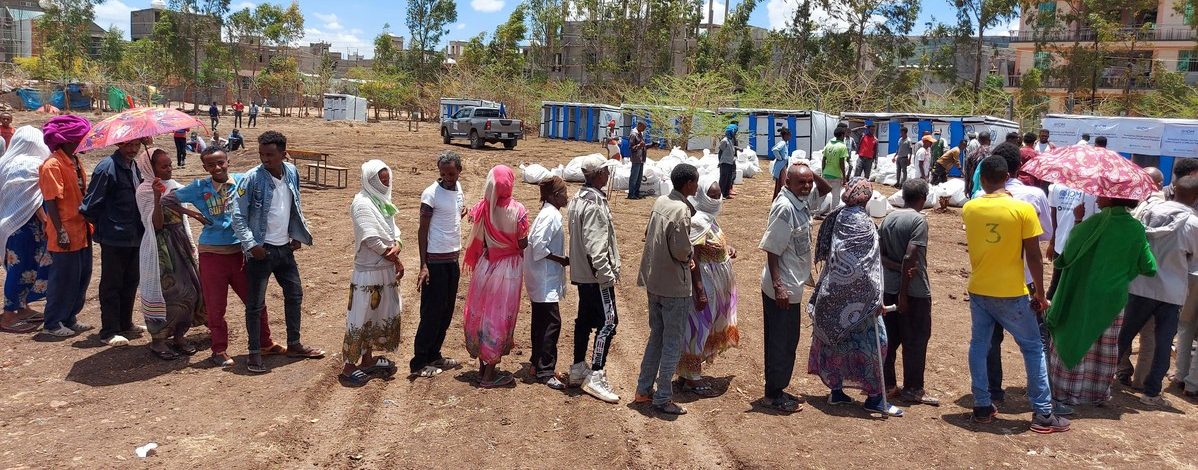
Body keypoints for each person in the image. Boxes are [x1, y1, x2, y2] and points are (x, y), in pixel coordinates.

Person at [963, 155, 1069, 434]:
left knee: (980, 345)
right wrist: (1041, 294)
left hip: (979, 288)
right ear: (1008, 175)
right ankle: (1044, 413)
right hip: (1012, 290)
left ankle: (982, 406)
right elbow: (1033, 255)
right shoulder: (1022, 210)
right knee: (1033, 348)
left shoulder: (970, 208)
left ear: (982, 179)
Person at [164, 147, 282, 367]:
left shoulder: (241, 180)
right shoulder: (199, 188)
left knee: (255, 301)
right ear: (204, 167)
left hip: (241, 253)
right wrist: (194, 214)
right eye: (211, 165)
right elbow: (167, 200)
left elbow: (265, 178)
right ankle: (218, 350)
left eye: (221, 163)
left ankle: (265, 343)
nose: (217, 168)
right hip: (212, 255)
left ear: (228, 161)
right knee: (216, 307)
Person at [1045, 196, 1155, 406]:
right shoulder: (1136, 228)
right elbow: (1148, 266)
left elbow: (1067, 255)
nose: (1097, 196)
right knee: (1103, 346)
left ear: (1111, 198)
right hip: (1113, 299)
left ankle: (1069, 393)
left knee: (1076, 338)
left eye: (1102, 194)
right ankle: (1096, 393)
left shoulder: (1092, 224)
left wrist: (1078, 221)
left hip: (1082, 295)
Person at [231, 131, 325, 373]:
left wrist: (296, 234)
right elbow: (238, 215)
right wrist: (252, 245)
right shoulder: (251, 178)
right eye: (262, 154)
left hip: (285, 249)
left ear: (284, 154)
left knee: (294, 295)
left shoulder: (292, 172)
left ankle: (294, 344)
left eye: (270, 155)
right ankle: (254, 353)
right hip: (261, 251)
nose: (265, 159)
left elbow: (294, 205)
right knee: (255, 304)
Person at [807, 177, 902, 417]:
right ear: (867, 198)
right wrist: (876, 298)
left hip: (832, 295)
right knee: (875, 345)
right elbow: (868, 265)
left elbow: (834, 256)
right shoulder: (864, 224)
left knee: (837, 343)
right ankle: (875, 398)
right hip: (860, 302)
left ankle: (837, 390)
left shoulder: (837, 217)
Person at [985, 142, 1060, 411]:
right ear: (1019, 167)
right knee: (1035, 342)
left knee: (990, 341)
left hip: (990, 279)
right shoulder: (1035, 196)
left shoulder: (981, 200)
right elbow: (1046, 235)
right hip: (1025, 280)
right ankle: (1042, 396)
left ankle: (993, 392)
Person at [1119, 176, 1198, 408]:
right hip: (1171, 292)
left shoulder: (1147, 212)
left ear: (1172, 190)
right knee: (1163, 343)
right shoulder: (1193, 224)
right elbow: (1194, 264)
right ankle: (1152, 392)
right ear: (1195, 198)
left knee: (1124, 337)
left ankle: (1101, 380)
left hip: (1140, 284)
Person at [759, 162, 831, 412]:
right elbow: (771, 248)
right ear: (787, 183)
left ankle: (778, 387)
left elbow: (825, 189)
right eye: (801, 182)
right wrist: (779, 286)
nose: (808, 186)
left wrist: (808, 171)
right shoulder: (785, 207)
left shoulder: (801, 199)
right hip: (783, 288)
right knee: (781, 341)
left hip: (793, 284)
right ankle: (773, 394)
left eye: (809, 181)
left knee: (788, 340)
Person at [634, 164, 700, 416]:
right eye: (695, 182)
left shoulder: (661, 201)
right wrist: (690, 256)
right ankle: (663, 397)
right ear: (688, 184)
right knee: (672, 342)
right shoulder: (681, 210)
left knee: (657, 336)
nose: (697, 186)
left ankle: (643, 390)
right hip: (674, 286)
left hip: (654, 281)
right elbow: (682, 250)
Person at [135, 148, 207, 360]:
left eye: (170, 165)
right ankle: (158, 341)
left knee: (190, 290)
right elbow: (156, 225)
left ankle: (179, 336)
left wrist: (195, 214)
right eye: (163, 166)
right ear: (151, 168)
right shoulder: (144, 191)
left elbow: (181, 209)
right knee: (167, 293)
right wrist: (157, 197)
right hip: (161, 248)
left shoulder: (174, 186)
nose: (169, 169)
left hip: (180, 243)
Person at [461, 165, 529, 388]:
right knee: (499, 316)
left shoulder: (483, 207)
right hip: (507, 270)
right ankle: (489, 375)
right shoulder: (518, 211)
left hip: (485, 266)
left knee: (482, 314)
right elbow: (521, 242)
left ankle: (483, 368)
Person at [339, 159, 405, 386]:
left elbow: (393, 228)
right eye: (380, 180)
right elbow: (371, 239)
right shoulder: (362, 203)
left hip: (384, 270)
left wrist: (397, 244)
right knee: (361, 316)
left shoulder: (382, 201)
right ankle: (349, 366)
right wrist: (394, 255)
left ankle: (367, 360)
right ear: (369, 180)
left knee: (378, 316)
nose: (385, 184)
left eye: (387, 180)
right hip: (368, 273)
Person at [80, 135, 146, 346]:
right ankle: (109, 331)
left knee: (131, 281)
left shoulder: (134, 167)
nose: (133, 149)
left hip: (135, 235)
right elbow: (90, 206)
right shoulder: (107, 168)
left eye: (137, 145)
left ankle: (125, 324)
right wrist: (108, 225)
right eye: (129, 144)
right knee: (112, 284)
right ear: (119, 143)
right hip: (115, 237)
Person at [677, 173, 739, 395]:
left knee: (706, 325)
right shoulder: (697, 222)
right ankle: (692, 376)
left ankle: (688, 373)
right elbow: (691, 256)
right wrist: (700, 289)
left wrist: (726, 249)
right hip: (705, 284)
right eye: (711, 195)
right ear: (701, 195)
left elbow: (711, 243)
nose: (716, 199)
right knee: (697, 327)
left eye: (718, 195)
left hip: (717, 283)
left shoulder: (709, 219)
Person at [567, 155, 622, 403]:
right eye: (606, 172)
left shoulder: (578, 198)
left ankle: (578, 367)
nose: (608, 175)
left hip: (582, 274)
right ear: (598, 174)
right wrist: (606, 276)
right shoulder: (595, 205)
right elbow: (596, 246)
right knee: (609, 322)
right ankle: (596, 373)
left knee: (585, 319)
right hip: (596, 276)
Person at [880, 178, 939, 406]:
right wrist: (904, 294)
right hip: (913, 292)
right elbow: (910, 257)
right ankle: (913, 389)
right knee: (916, 339)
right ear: (923, 198)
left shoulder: (888, 218)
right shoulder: (918, 221)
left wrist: (896, 268)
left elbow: (881, 254)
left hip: (888, 288)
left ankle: (888, 384)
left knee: (890, 338)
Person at [38, 116, 95, 337]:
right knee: (63, 278)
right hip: (66, 230)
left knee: (81, 276)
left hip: (82, 229)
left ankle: (70, 317)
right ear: (70, 139)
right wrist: (60, 231)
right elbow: (51, 200)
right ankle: (52, 323)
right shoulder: (52, 165)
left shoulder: (75, 161)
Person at [411, 151, 466, 378]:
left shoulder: (459, 188)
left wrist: (460, 215)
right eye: (443, 174)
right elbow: (422, 230)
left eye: (451, 173)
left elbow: (452, 216)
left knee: (446, 311)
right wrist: (423, 265)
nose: (447, 177)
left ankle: (435, 354)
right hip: (435, 261)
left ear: (459, 171)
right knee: (431, 312)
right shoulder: (430, 194)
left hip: (452, 259)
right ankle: (419, 361)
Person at [0, 126, 53, 333]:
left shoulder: (4, 163)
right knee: (21, 270)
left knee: (20, 270)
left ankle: (22, 309)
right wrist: (46, 221)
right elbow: (33, 200)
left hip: (10, 225)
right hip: (26, 227)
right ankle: (8, 315)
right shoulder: (31, 165)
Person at [525, 177, 570, 390]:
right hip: (544, 279)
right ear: (554, 196)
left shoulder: (549, 213)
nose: (566, 196)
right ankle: (546, 371)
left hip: (541, 278)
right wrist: (562, 260)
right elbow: (539, 247)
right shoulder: (550, 215)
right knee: (552, 324)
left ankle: (536, 363)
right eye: (563, 193)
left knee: (541, 322)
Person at [1045, 182, 1097, 299]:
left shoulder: (1093, 191)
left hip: (1080, 247)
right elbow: (1054, 214)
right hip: (1066, 245)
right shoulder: (1056, 187)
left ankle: (1050, 313)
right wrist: (1052, 242)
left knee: (1066, 285)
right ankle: (1047, 314)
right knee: (1057, 284)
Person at [819, 127, 849, 216]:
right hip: (836, 175)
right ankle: (833, 216)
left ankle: (815, 212)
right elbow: (841, 163)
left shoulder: (828, 145)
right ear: (842, 135)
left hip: (826, 174)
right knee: (836, 197)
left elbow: (823, 160)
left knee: (822, 195)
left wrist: (823, 172)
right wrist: (844, 177)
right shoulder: (842, 146)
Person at [965, 133, 991, 198]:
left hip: (974, 188)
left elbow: (967, 173)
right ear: (990, 140)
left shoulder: (971, 154)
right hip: (990, 187)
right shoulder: (994, 153)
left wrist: (966, 188)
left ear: (978, 140)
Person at [717, 124, 738, 199]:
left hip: (730, 162)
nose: (735, 133)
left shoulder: (730, 140)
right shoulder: (724, 140)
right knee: (723, 179)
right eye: (734, 132)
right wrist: (719, 162)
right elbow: (720, 152)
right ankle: (721, 194)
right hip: (724, 162)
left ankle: (726, 194)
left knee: (728, 178)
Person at [628, 121, 648, 200]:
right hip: (636, 159)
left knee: (639, 178)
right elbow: (631, 147)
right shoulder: (633, 134)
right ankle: (631, 194)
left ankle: (636, 193)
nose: (644, 129)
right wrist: (639, 145)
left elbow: (643, 146)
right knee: (634, 178)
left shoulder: (640, 134)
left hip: (641, 159)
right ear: (639, 125)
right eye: (643, 128)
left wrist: (651, 145)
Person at [771, 128, 791, 198]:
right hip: (781, 166)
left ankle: (777, 198)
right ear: (785, 135)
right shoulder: (782, 143)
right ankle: (780, 198)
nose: (790, 137)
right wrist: (780, 158)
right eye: (789, 135)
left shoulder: (785, 143)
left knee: (779, 183)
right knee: (782, 183)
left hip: (782, 165)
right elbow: (775, 150)